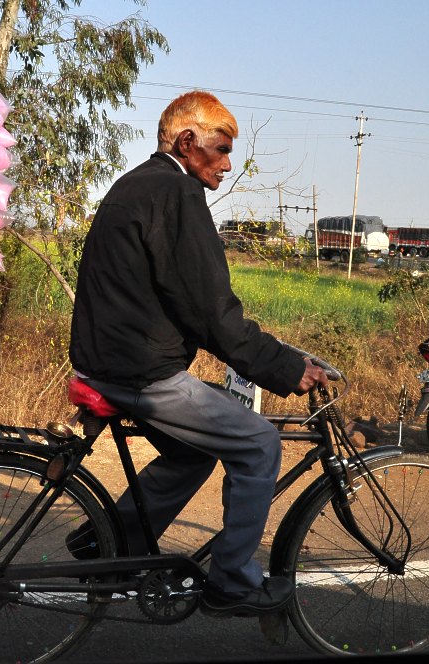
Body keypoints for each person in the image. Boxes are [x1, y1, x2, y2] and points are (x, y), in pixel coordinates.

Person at [67, 90, 329, 617]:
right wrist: (284, 367)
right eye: (222, 149)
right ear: (188, 142)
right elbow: (211, 312)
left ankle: (109, 542)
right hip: (142, 374)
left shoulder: (135, 184)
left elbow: (191, 306)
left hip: (109, 361)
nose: (228, 164)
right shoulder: (177, 193)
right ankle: (232, 581)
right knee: (258, 443)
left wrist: (267, 356)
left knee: (193, 450)